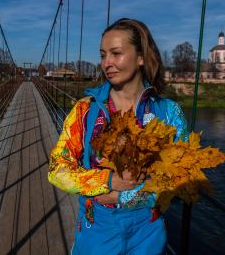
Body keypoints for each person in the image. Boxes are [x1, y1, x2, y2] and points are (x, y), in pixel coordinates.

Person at [48, 18, 188, 255]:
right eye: (103, 55)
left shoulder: (169, 112)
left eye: (116, 53)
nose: (106, 63)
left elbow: (183, 177)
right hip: (97, 233)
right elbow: (57, 169)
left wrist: (126, 197)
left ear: (141, 57)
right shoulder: (85, 111)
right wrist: (108, 181)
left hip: (148, 233)